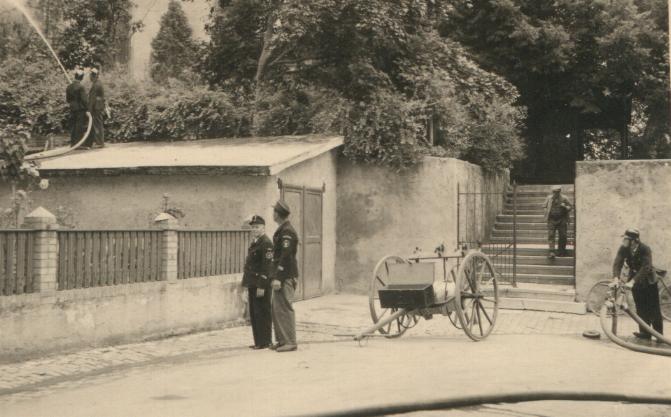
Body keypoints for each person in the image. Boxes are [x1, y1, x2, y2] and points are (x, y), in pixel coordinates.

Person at [612, 228, 664, 340]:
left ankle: (659, 336)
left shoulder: (645, 249)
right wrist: (616, 278)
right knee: (640, 307)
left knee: (653, 309)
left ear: (634, 241)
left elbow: (646, 267)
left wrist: (632, 282)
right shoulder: (624, 248)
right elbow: (617, 263)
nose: (624, 241)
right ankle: (645, 333)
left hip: (648, 280)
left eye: (626, 239)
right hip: (635, 281)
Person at [270, 200, 299, 353]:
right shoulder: (283, 229)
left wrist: (278, 278)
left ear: (277, 214)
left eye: (274, 211)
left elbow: (285, 256)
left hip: (286, 276)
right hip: (281, 275)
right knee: (277, 309)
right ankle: (282, 340)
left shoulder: (287, 231)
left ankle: (290, 341)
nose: (272, 213)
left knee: (285, 308)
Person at [241, 215, 274, 350]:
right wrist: (245, 284)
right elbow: (249, 266)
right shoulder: (255, 242)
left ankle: (265, 341)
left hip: (261, 284)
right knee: (255, 312)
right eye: (253, 227)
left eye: (257, 227)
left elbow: (267, 267)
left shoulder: (266, 243)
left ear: (263, 228)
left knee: (263, 311)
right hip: (253, 282)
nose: (254, 229)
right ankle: (259, 341)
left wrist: (262, 286)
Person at [543, 185, 572, 259]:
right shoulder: (549, 198)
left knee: (563, 235)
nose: (555, 193)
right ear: (552, 192)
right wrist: (546, 211)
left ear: (560, 192)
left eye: (557, 192)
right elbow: (544, 206)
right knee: (551, 235)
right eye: (554, 192)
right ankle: (552, 251)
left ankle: (561, 251)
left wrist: (565, 207)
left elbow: (570, 207)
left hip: (562, 219)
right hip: (551, 219)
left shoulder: (564, 198)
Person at [65, 69, 89, 147]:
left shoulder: (69, 87)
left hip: (72, 108)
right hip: (80, 109)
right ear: (81, 78)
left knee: (73, 125)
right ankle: (79, 144)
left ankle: (73, 143)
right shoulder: (81, 87)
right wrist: (87, 108)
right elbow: (84, 100)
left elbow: (68, 99)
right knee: (79, 126)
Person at [87, 68, 107, 148]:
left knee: (97, 125)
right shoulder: (98, 83)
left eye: (90, 76)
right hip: (98, 107)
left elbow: (92, 99)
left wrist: (89, 110)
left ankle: (99, 142)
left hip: (96, 108)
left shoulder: (96, 85)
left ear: (93, 76)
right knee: (97, 124)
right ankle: (97, 141)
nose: (89, 78)